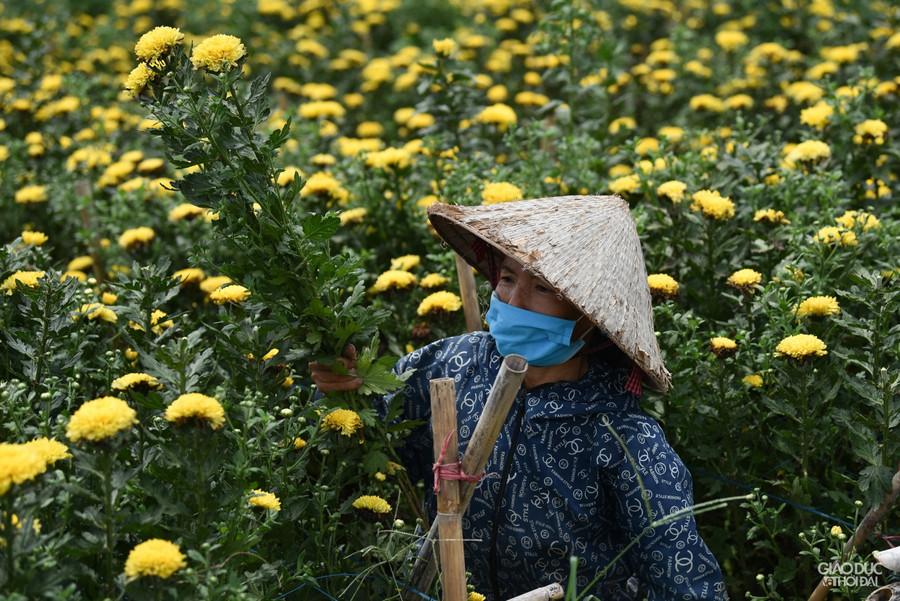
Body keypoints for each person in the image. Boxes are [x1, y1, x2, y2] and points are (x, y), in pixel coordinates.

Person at [310, 195, 728, 601]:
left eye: (542, 288)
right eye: (508, 278)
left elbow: (683, 582)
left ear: (591, 319)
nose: (513, 301)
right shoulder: (452, 364)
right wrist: (343, 391)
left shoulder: (623, 438)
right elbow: (372, 441)